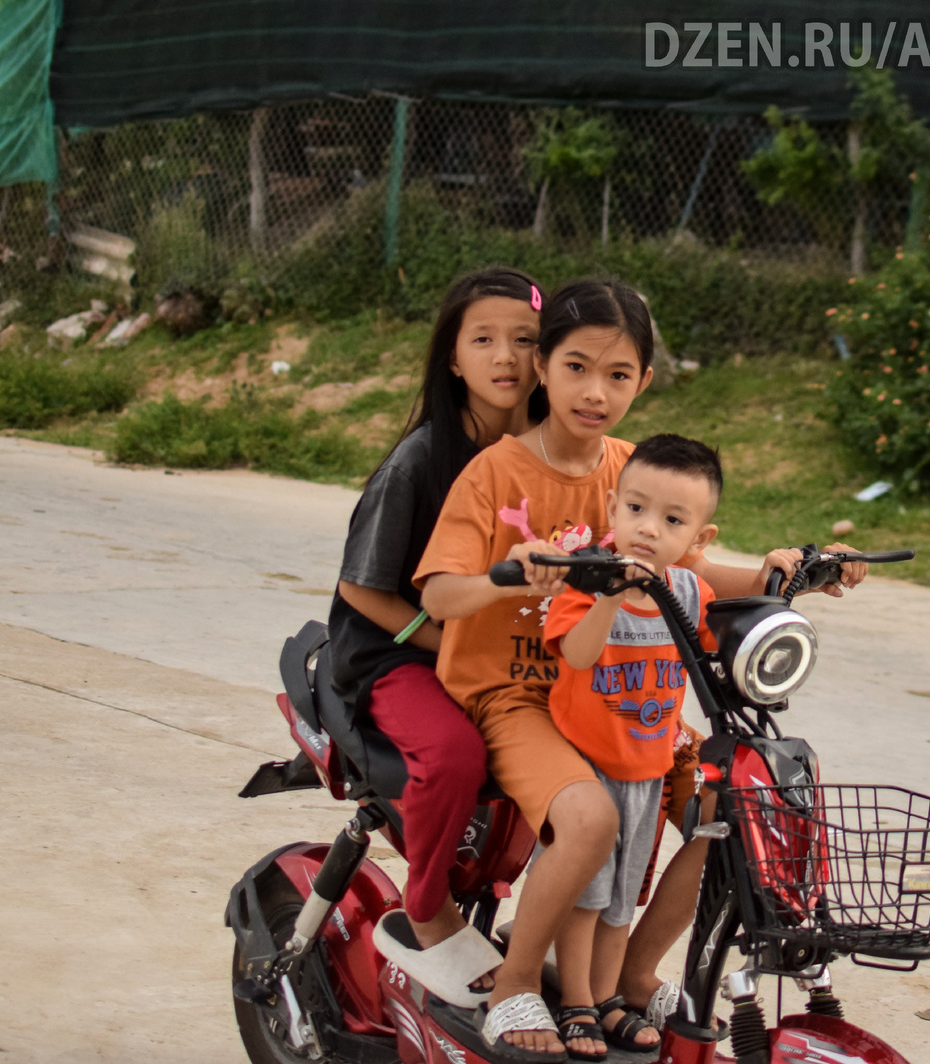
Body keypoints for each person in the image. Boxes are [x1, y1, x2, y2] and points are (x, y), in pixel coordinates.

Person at [416, 278, 862, 1058]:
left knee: (731, 815)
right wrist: (511, 574)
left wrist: (788, 569)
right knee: (589, 821)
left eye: (618, 375)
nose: (596, 392)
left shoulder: (635, 470)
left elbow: (693, 567)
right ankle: (520, 984)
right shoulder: (495, 472)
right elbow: (441, 592)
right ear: (543, 367)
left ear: (643, 382)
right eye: (578, 367)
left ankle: (631, 972)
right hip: (515, 693)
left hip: (619, 697)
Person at [326, 266, 547, 1008]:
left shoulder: (554, 455)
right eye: (483, 339)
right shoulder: (423, 458)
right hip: (396, 648)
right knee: (455, 754)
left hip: (508, 651)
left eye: (525, 340)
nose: (506, 357)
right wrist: (439, 641)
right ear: (453, 358)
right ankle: (427, 909)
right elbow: (361, 587)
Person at [543, 435, 724, 1061]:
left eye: (673, 520)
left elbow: (711, 660)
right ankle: (574, 1001)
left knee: (623, 897)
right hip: (587, 768)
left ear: (699, 539)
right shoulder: (587, 579)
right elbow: (577, 653)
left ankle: (607, 997)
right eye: (637, 510)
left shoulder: (690, 593)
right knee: (586, 895)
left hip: (649, 769)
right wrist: (610, 594)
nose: (649, 529)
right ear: (614, 508)